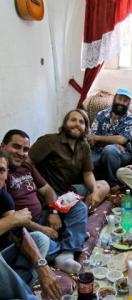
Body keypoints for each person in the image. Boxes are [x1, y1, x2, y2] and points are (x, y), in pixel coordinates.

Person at [1, 129, 88, 274]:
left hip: (44, 214)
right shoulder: (2, 173)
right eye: (16, 147)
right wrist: (41, 229)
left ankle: (68, 248)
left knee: (78, 206)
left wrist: (54, 212)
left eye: (25, 149)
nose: (21, 153)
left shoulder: (26, 166)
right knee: (41, 242)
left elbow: (48, 190)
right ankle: (72, 238)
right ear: (2, 146)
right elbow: (13, 220)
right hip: (25, 227)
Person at [0, 150, 61, 299]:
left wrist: (42, 266)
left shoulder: (3, 196)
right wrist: (12, 220)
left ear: (6, 174)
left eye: (1, 170)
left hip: (6, 258)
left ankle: (14, 284)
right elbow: (15, 222)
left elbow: (19, 232)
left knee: (40, 239)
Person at [28, 109, 110, 209]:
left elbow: (87, 173)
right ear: (65, 123)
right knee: (80, 204)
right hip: (50, 194)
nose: (77, 124)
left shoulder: (84, 146)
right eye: (73, 120)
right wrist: (40, 186)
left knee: (104, 186)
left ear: (85, 128)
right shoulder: (49, 141)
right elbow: (27, 163)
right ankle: (67, 211)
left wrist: (94, 192)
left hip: (69, 192)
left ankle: (76, 211)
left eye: (81, 122)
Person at [87, 88, 132, 192]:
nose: (121, 103)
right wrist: (113, 142)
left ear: (128, 103)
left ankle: (112, 184)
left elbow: (122, 139)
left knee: (110, 150)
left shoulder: (130, 119)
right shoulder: (101, 115)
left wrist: (99, 138)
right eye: (120, 99)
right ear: (114, 98)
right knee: (87, 160)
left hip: (123, 153)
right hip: (99, 150)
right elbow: (92, 138)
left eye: (125, 101)